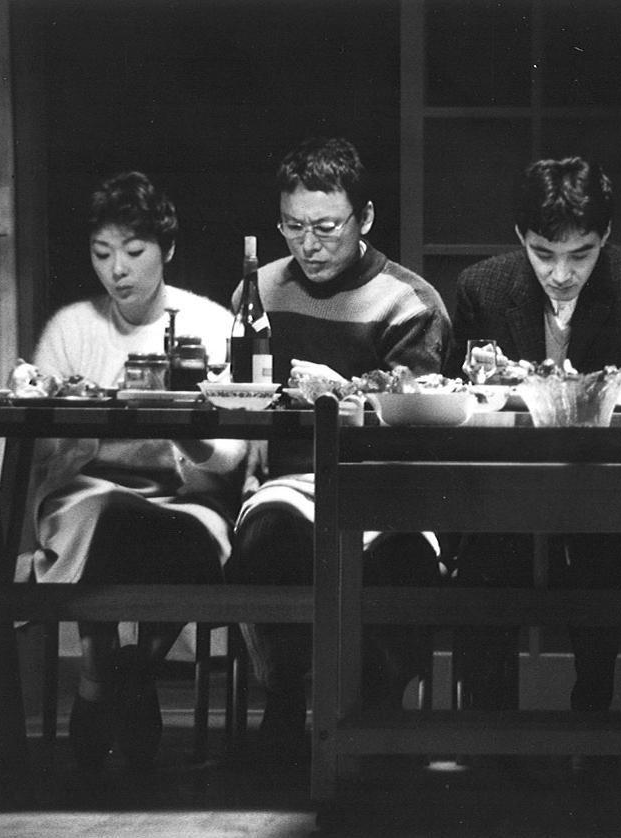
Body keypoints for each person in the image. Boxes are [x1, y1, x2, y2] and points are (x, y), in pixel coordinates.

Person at [223, 137, 452, 759]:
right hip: (287, 478)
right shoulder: (258, 292)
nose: (309, 244)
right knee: (269, 537)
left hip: (385, 480)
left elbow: (415, 421)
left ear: (365, 218)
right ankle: (282, 700)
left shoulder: (409, 302)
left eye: (326, 226)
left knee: (402, 556)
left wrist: (345, 392)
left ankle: (378, 710)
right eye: (293, 226)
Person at [443, 156, 621, 715]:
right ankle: (490, 730)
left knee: (607, 572)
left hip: (612, 487)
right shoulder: (482, 287)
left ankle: (594, 720)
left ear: (606, 236)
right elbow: (460, 406)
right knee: (482, 575)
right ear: (520, 237)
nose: (560, 273)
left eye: (581, 254)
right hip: (507, 486)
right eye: (543, 253)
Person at [22, 171, 246, 770]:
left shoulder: (208, 324)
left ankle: (130, 672)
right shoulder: (73, 327)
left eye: (134, 251)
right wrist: (90, 421)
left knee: (188, 536)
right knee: (98, 515)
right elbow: (40, 451)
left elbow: (233, 458)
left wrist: (181, 425)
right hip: (87, 493)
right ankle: (102, 666)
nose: (117, 270)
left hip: (184, 497)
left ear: (166, 249)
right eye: (102, 253)